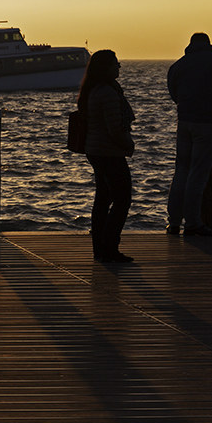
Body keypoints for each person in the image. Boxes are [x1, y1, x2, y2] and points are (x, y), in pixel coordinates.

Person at [166, 32, 212, 236]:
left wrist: (185, 107)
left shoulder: (179, 64)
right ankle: (193, 222)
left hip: (184, 122)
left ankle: (174, 221)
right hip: (209, 124)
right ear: (209, 43)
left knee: (181, 171)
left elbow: (173, 91)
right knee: (199, 173)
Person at [77, 49, 135, 264]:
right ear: (106, 68)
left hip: (96, 150)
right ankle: (109, 247)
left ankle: (100, 248)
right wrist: (128, 144)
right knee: (122, 199)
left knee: (103, 199)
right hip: (109, 152)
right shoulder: (108, 93)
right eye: (115, 63)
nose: (118, 66)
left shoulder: (93, 90)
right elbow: (115, 129)